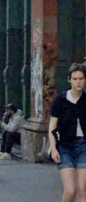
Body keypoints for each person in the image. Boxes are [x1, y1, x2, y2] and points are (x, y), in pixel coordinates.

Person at [49, 62, 86, 202]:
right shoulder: (60, 100)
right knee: (70, 191)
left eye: (81, 79)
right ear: (69, 79)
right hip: (64, 147)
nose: (78, 82)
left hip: (83, 146)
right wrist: (53, 148)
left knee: (82, 190)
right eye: (75, 79)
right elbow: (52, 126)